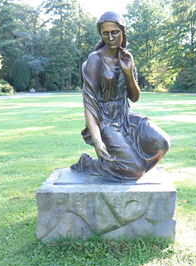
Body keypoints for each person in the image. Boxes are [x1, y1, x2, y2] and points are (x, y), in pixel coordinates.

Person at [71, 11, 169, 180]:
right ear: (101, 35)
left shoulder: (126, 57)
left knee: (162, 143)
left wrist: (129, 72)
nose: (110, 37)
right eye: (105, 33)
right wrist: (97, 140)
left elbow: (135, 97)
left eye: (115, 32)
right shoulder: (95, 59)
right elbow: (89, 103)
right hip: (105, 121)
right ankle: (90, 164)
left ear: (123, 32)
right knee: (135, 170)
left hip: (125, 117)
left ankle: (126, 167)